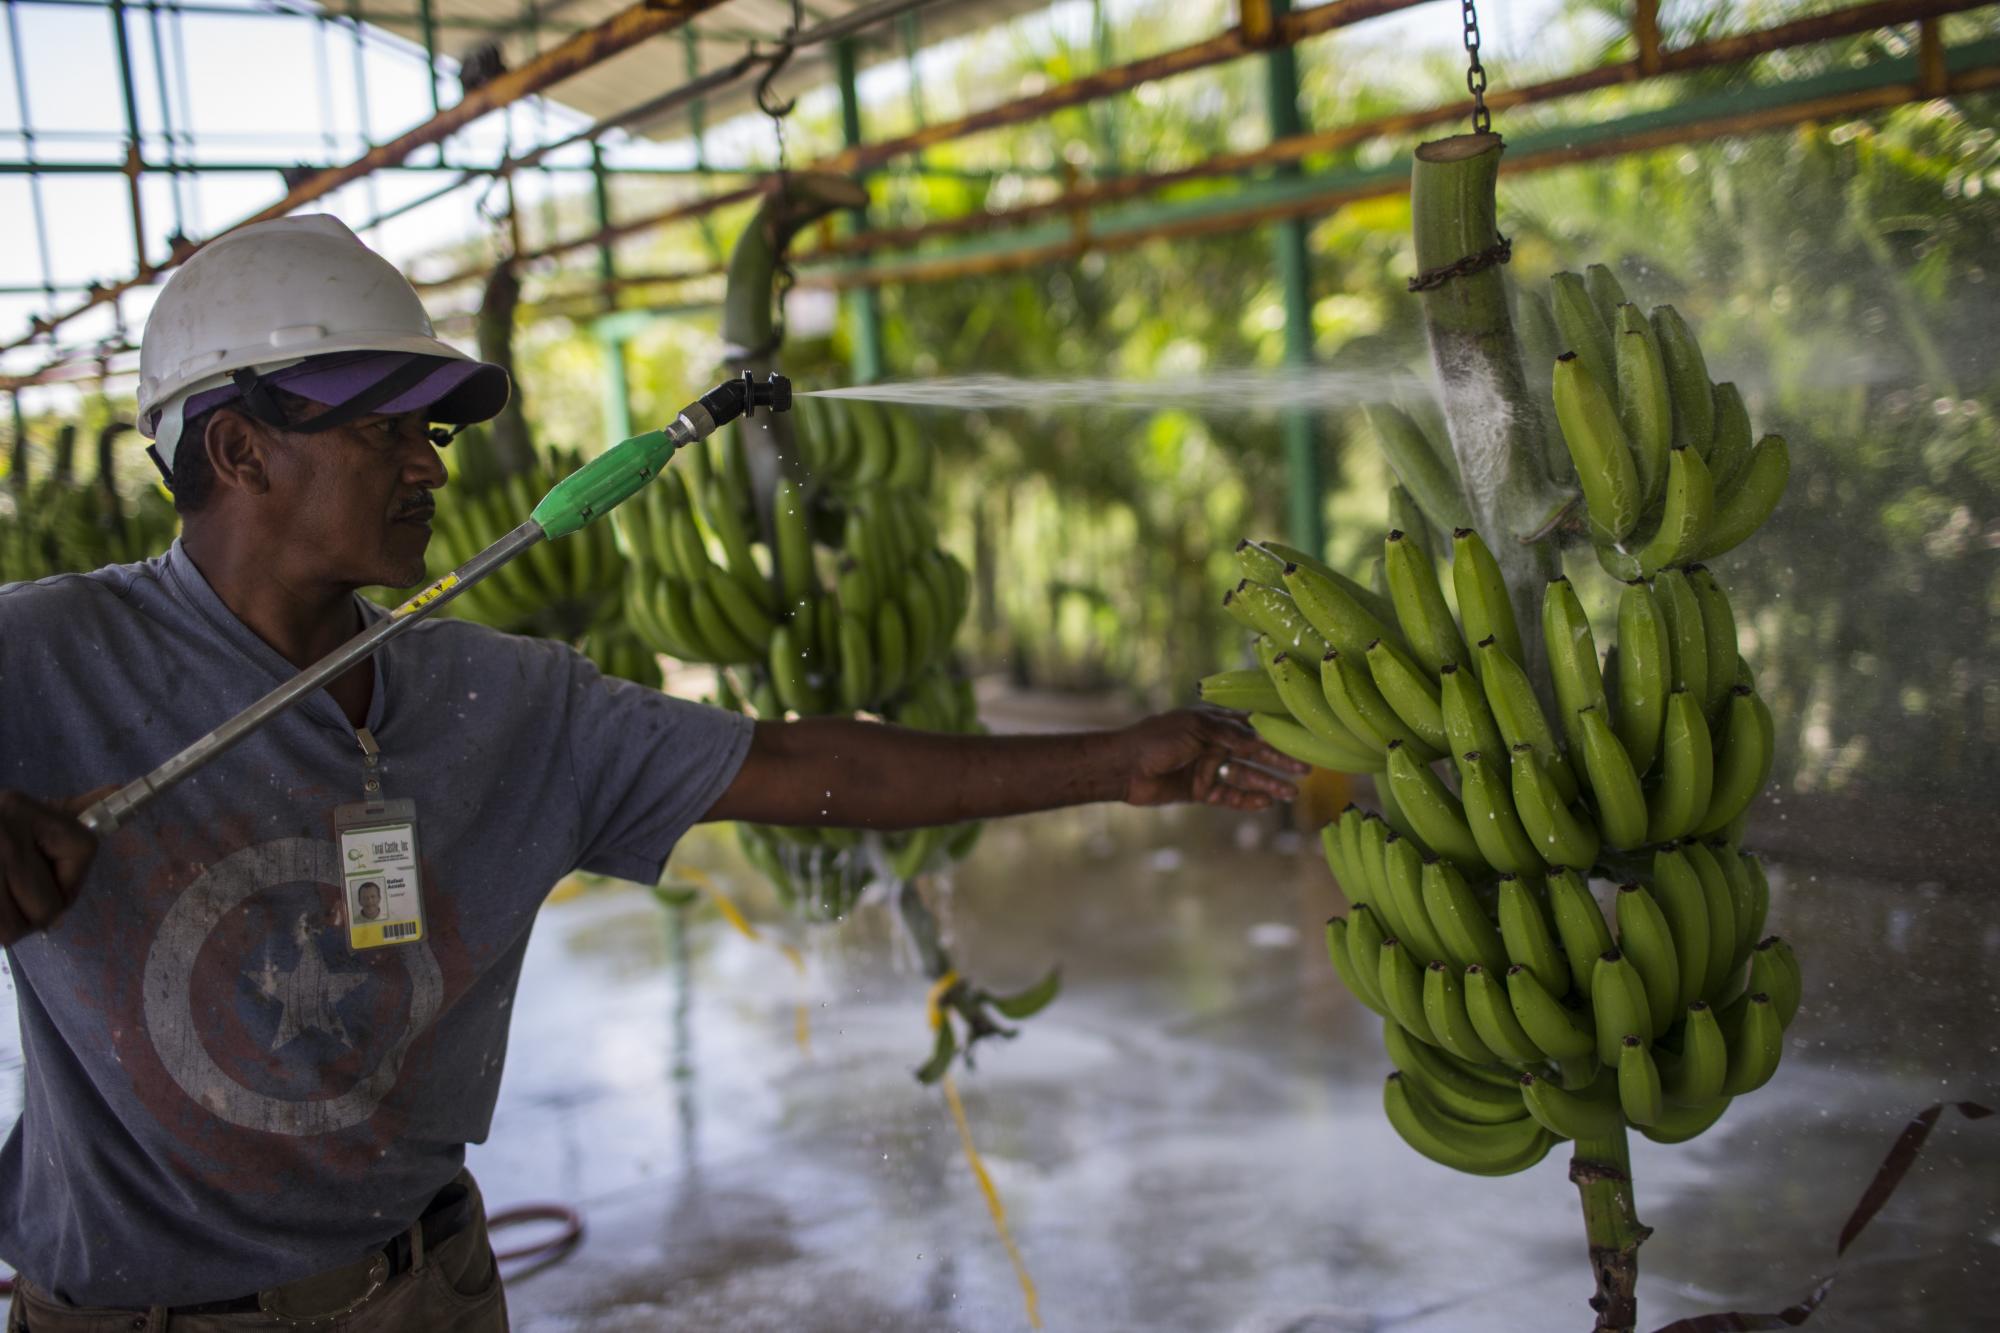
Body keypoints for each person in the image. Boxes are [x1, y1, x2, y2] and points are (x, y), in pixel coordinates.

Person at [0, 216, 1305, 1331]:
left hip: (427, 1288)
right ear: (239, 450)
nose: (429, 463)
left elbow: (804, 764)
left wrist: (1122, 760)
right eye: (386, 428)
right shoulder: (47, 659)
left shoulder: (492, 697)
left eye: (434, 430)